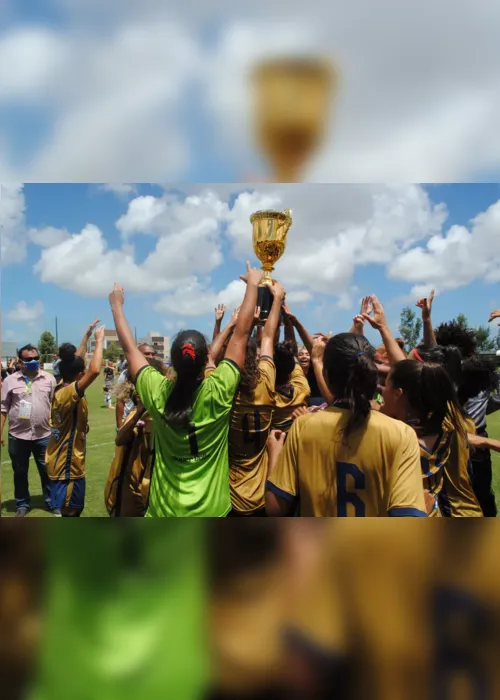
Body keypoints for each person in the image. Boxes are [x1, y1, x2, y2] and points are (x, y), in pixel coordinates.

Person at [109, 261, 264, 517]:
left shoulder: (157, 391)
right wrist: (253, 285)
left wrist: (116, 306)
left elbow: (129, 349)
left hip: (164, 513)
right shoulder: (219, 390)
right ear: (207, 361)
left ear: (173, 362)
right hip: (212, 512)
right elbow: (242, 334)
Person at [265, 333, 427, 517]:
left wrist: (275, 455)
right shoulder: (402, 433)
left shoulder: (303, 427)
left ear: (326, 375)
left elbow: (274, 508)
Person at [227, 281, 285, 516]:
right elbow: (269, 337)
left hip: (229, 492)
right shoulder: (266, 380)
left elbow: (215, 355)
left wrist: (234, 324)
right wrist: (277, 300)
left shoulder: (225, 389)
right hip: (261, 490)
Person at [46, 323, 104, 517]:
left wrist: (86, 335)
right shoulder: (68, 393)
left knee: (71, 509)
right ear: (80, 375)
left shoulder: (62, 385)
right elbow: (95, 370)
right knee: (71, 511)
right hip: (67, 464)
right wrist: (99, 341)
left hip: (66, 460)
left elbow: (75, 360)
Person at [1, 344, 56, 516]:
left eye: (35, 358)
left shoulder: (49, 379)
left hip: (44, 434)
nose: (33, 361)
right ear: (20, 361)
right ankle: (22, 504)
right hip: (17, 435)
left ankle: (51, 501)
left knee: (47, 470)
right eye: (28, 359)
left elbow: (55, 405)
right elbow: (3, 408)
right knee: (20, 471)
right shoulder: (10, 380)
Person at [115, 344, 156, 428]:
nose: (151, 356)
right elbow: (120, 401)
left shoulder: (156, 373)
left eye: (153, 354)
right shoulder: (126, 374)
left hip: (150, 422)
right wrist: (119, 426)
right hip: (131, 421)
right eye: (147, 353)